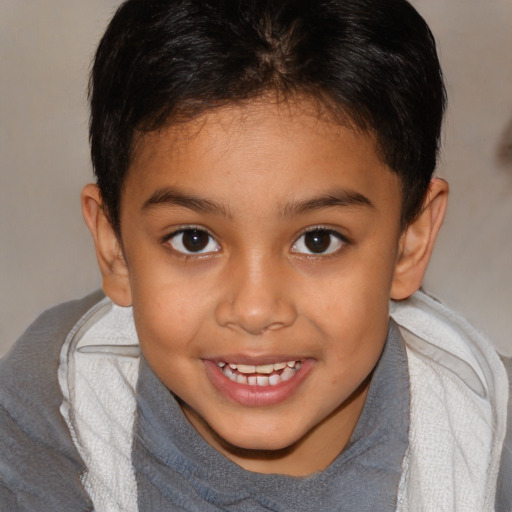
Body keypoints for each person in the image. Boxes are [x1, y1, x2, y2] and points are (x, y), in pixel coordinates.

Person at [1, 0, 510, 510]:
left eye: (318, 240)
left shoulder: (486, 436)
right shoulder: (52, 414)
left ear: (410, 242)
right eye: (193, 240)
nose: (254, 309)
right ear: (114, 248)